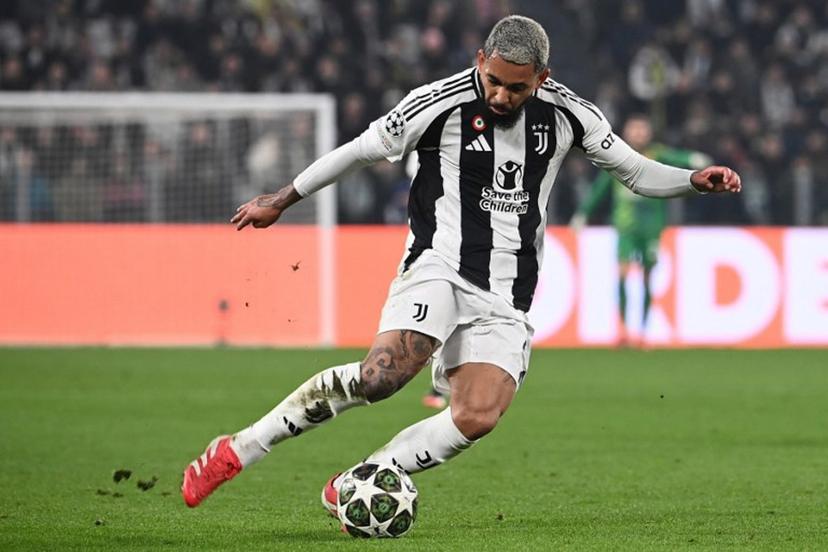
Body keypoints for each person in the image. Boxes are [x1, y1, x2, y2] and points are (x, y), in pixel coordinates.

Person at [181, 15, 741, 513]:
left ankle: (367, 475)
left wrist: (693, 181)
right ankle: (239, 448)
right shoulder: (437, 102)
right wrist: (283, 197)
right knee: (380, 378)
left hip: (508, 290)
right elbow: (359, 149)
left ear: (541, 79)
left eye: (516, 87)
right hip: (438, 265)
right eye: (493, 80)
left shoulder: (571, 115)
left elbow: (637, 172)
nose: (500, 96)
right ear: (480, 61)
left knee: (478, 414)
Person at [570, 114, 712, 346]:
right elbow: (600, 188)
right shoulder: (616, 156)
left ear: (648, 132)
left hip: (652, 226)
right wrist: (583, 213)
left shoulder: (657, 154)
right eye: (634, 129)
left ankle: (643, 333)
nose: (639, 133)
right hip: (626, 226)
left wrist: (693, 158)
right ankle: (624, 331)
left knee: (647, 278)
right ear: (626, 131)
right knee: (623, 274)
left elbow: (677, 157)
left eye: (642, 129)